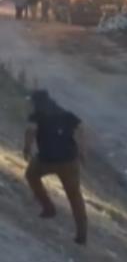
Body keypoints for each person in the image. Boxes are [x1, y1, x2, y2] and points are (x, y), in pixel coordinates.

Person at [23, 90, 88, 245]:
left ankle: (48, 207)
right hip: (69, 161)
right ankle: (82, 235)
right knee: (74, 196)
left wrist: (27, 148)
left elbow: (30, 131)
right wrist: (82, 152)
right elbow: (82, 129)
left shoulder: (37, 114)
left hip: (46, 160)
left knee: (31, 175)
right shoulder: (64, 113)